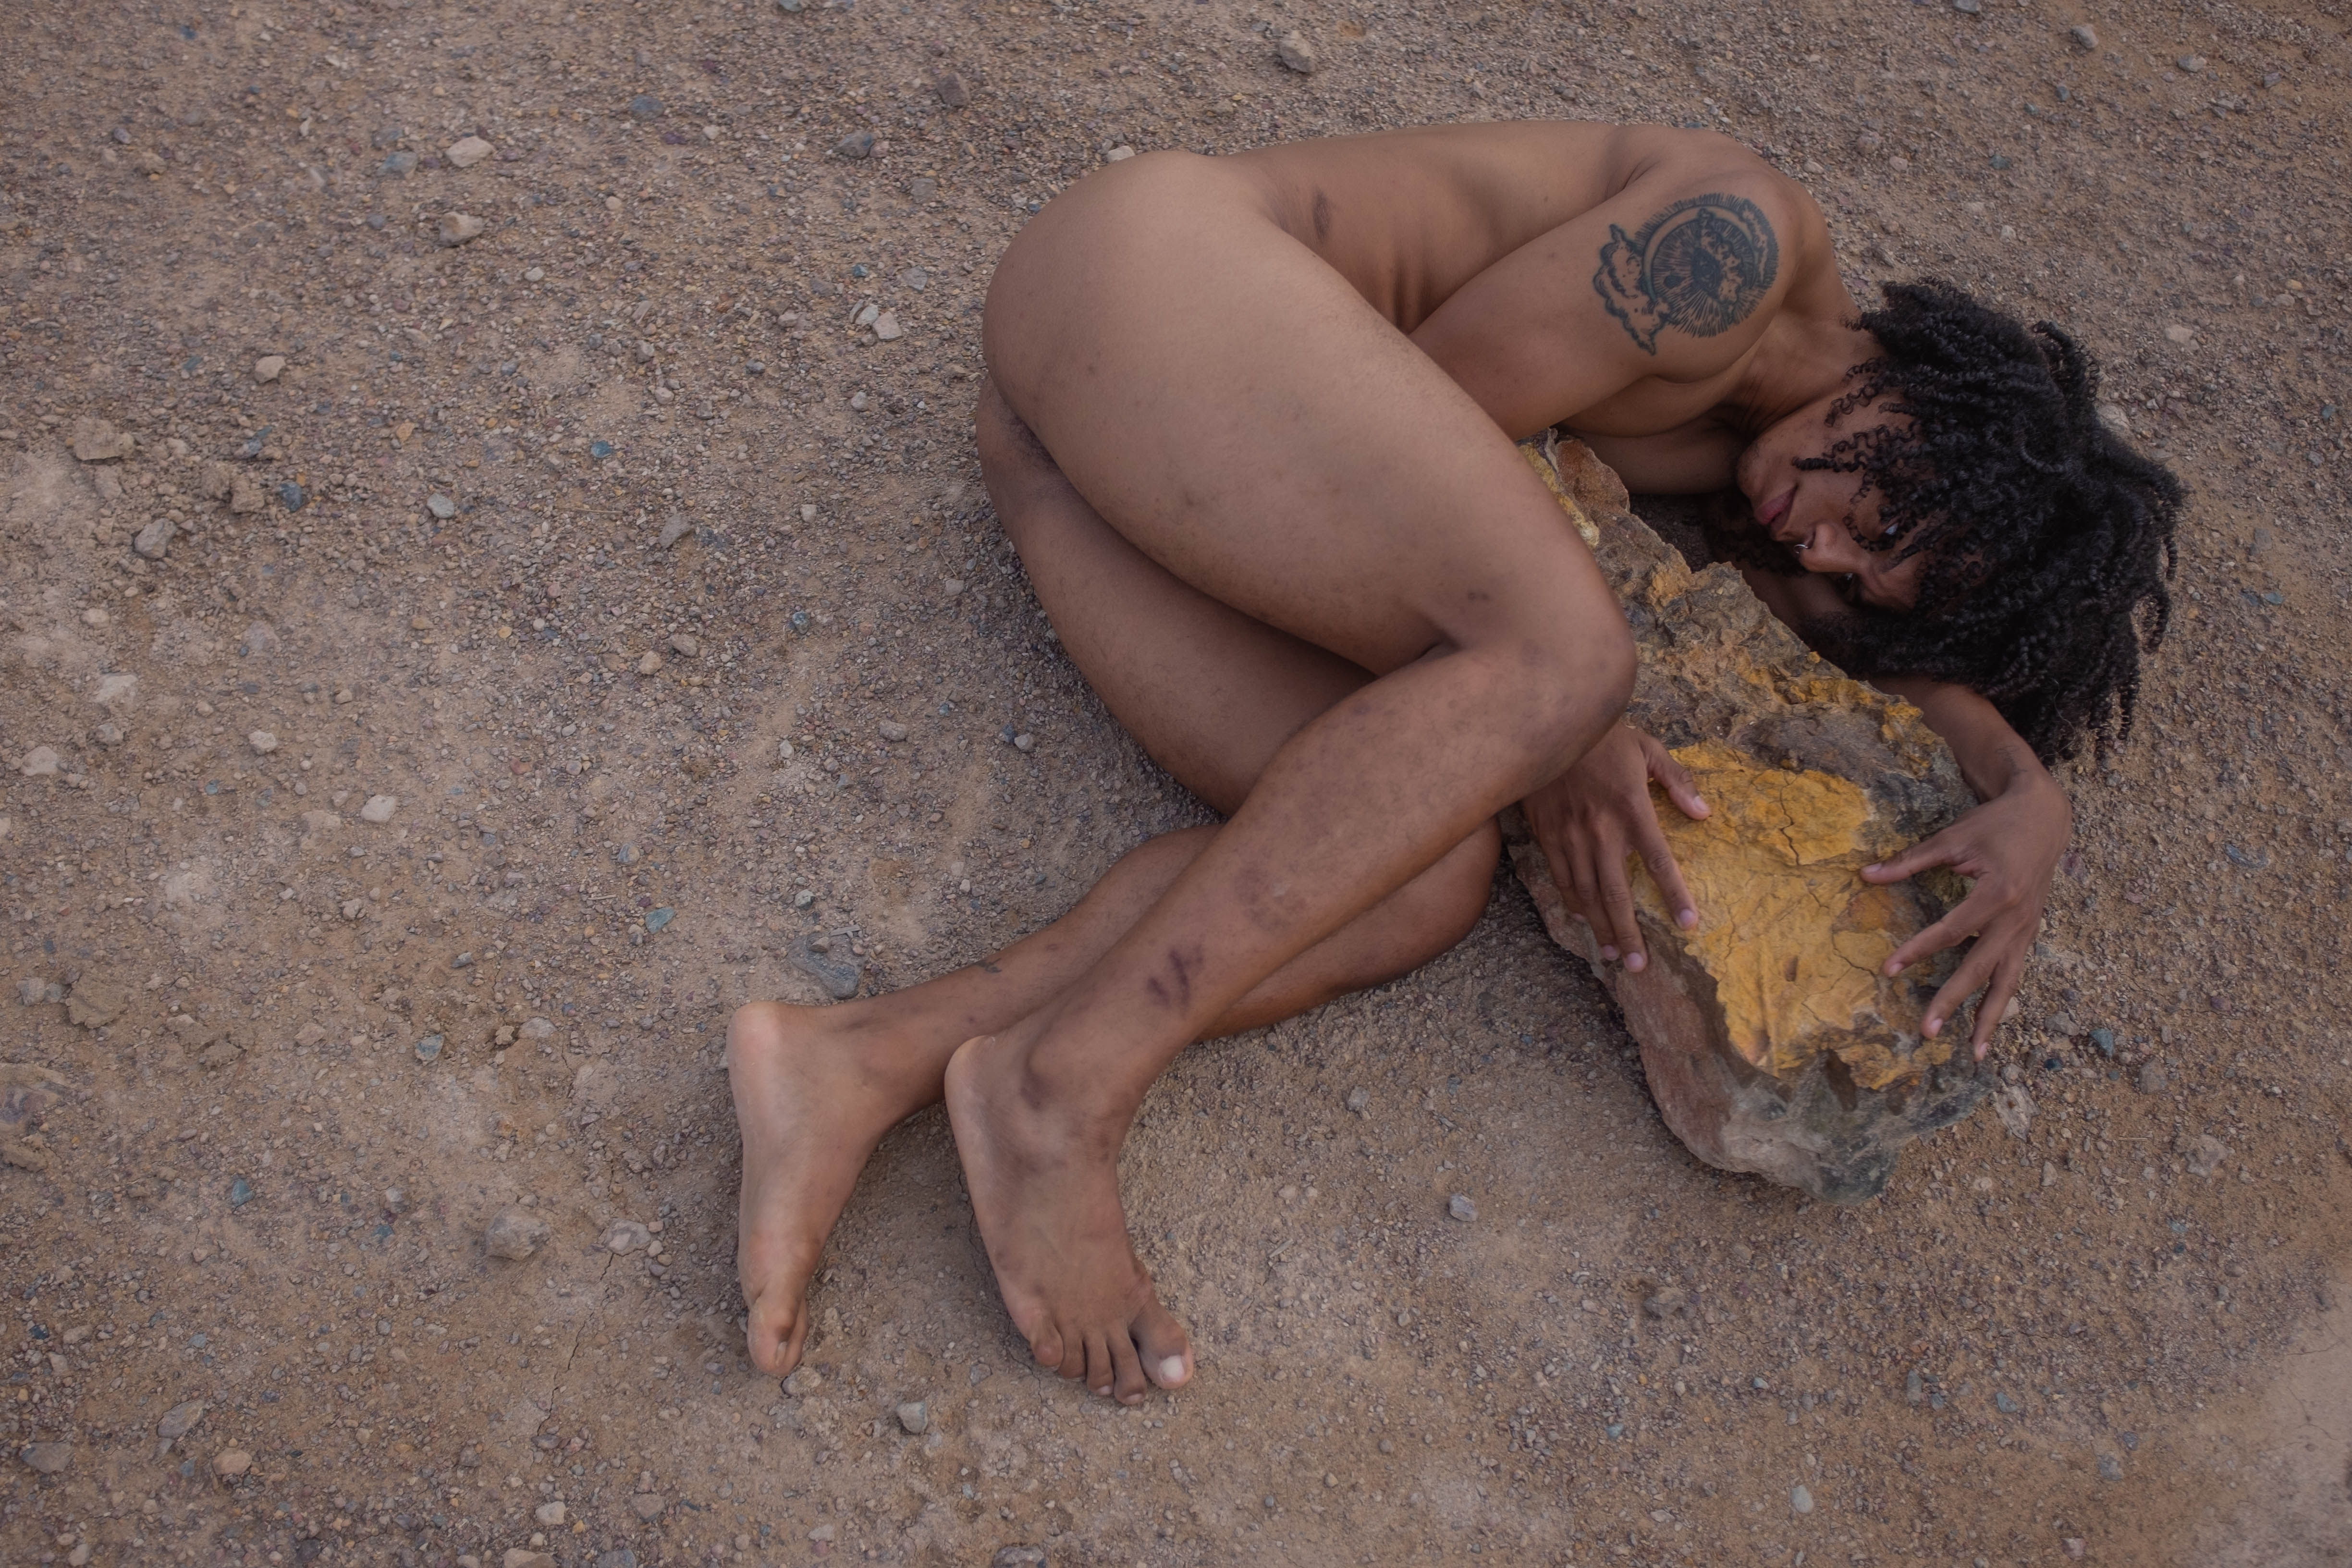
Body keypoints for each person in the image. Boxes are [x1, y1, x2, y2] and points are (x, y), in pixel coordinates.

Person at [725, 122, 2180, 1404]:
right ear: (1941, 414)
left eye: (1860, 577)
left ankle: (858, 1060)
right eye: (1883, 516)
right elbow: (1411, 411)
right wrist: (1563, 722)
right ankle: (1067, 1092)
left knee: (1419, 872)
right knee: (1566, 661)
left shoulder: (1753, 462)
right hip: (1137, 290)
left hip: (1067, 457)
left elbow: (1856, 664)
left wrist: (2026, 793)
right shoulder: (1731, 246)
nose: (1822, 545)